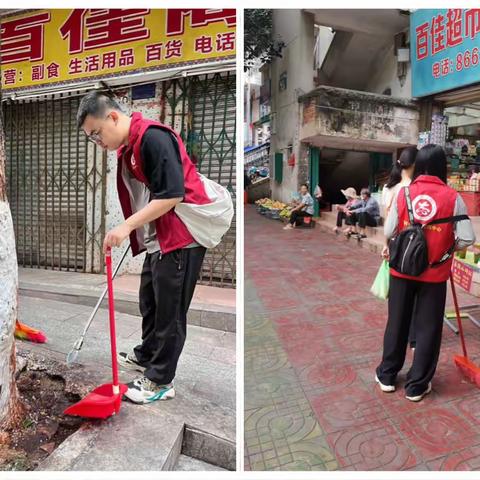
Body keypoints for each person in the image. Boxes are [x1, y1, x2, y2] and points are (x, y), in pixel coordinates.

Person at [77, 91, 210, 404]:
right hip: (159, 239)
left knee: (169, 312)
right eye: (90, 138)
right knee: (149, 302)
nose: (98, 141)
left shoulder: (152, 138)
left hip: (180, 238)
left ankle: (161, 380)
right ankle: (147, 355)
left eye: (96, 133)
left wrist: (127, 227)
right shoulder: (131, 146)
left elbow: (172, 194)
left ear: (112, 116)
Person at [376, 144, 475, 402]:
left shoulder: (404, 194)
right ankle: (417, 385)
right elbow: (467, 239)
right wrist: (445, 247)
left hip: (402, 270)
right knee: (428, 328)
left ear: (418, 165)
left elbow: (388, 232)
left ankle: (387, 376)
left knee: (397, 322)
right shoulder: (453, 197)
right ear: (443, 167)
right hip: (435, 274)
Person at [382, 147, 418, 349]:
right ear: (415, 164)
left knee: (398, 294)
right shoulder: (415, 187)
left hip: (396, 242)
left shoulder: (389, 188)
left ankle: (398, 334)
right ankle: (413, 338)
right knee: (415, 290)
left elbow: (387, 220)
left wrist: (385, 245)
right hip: (415, 244)